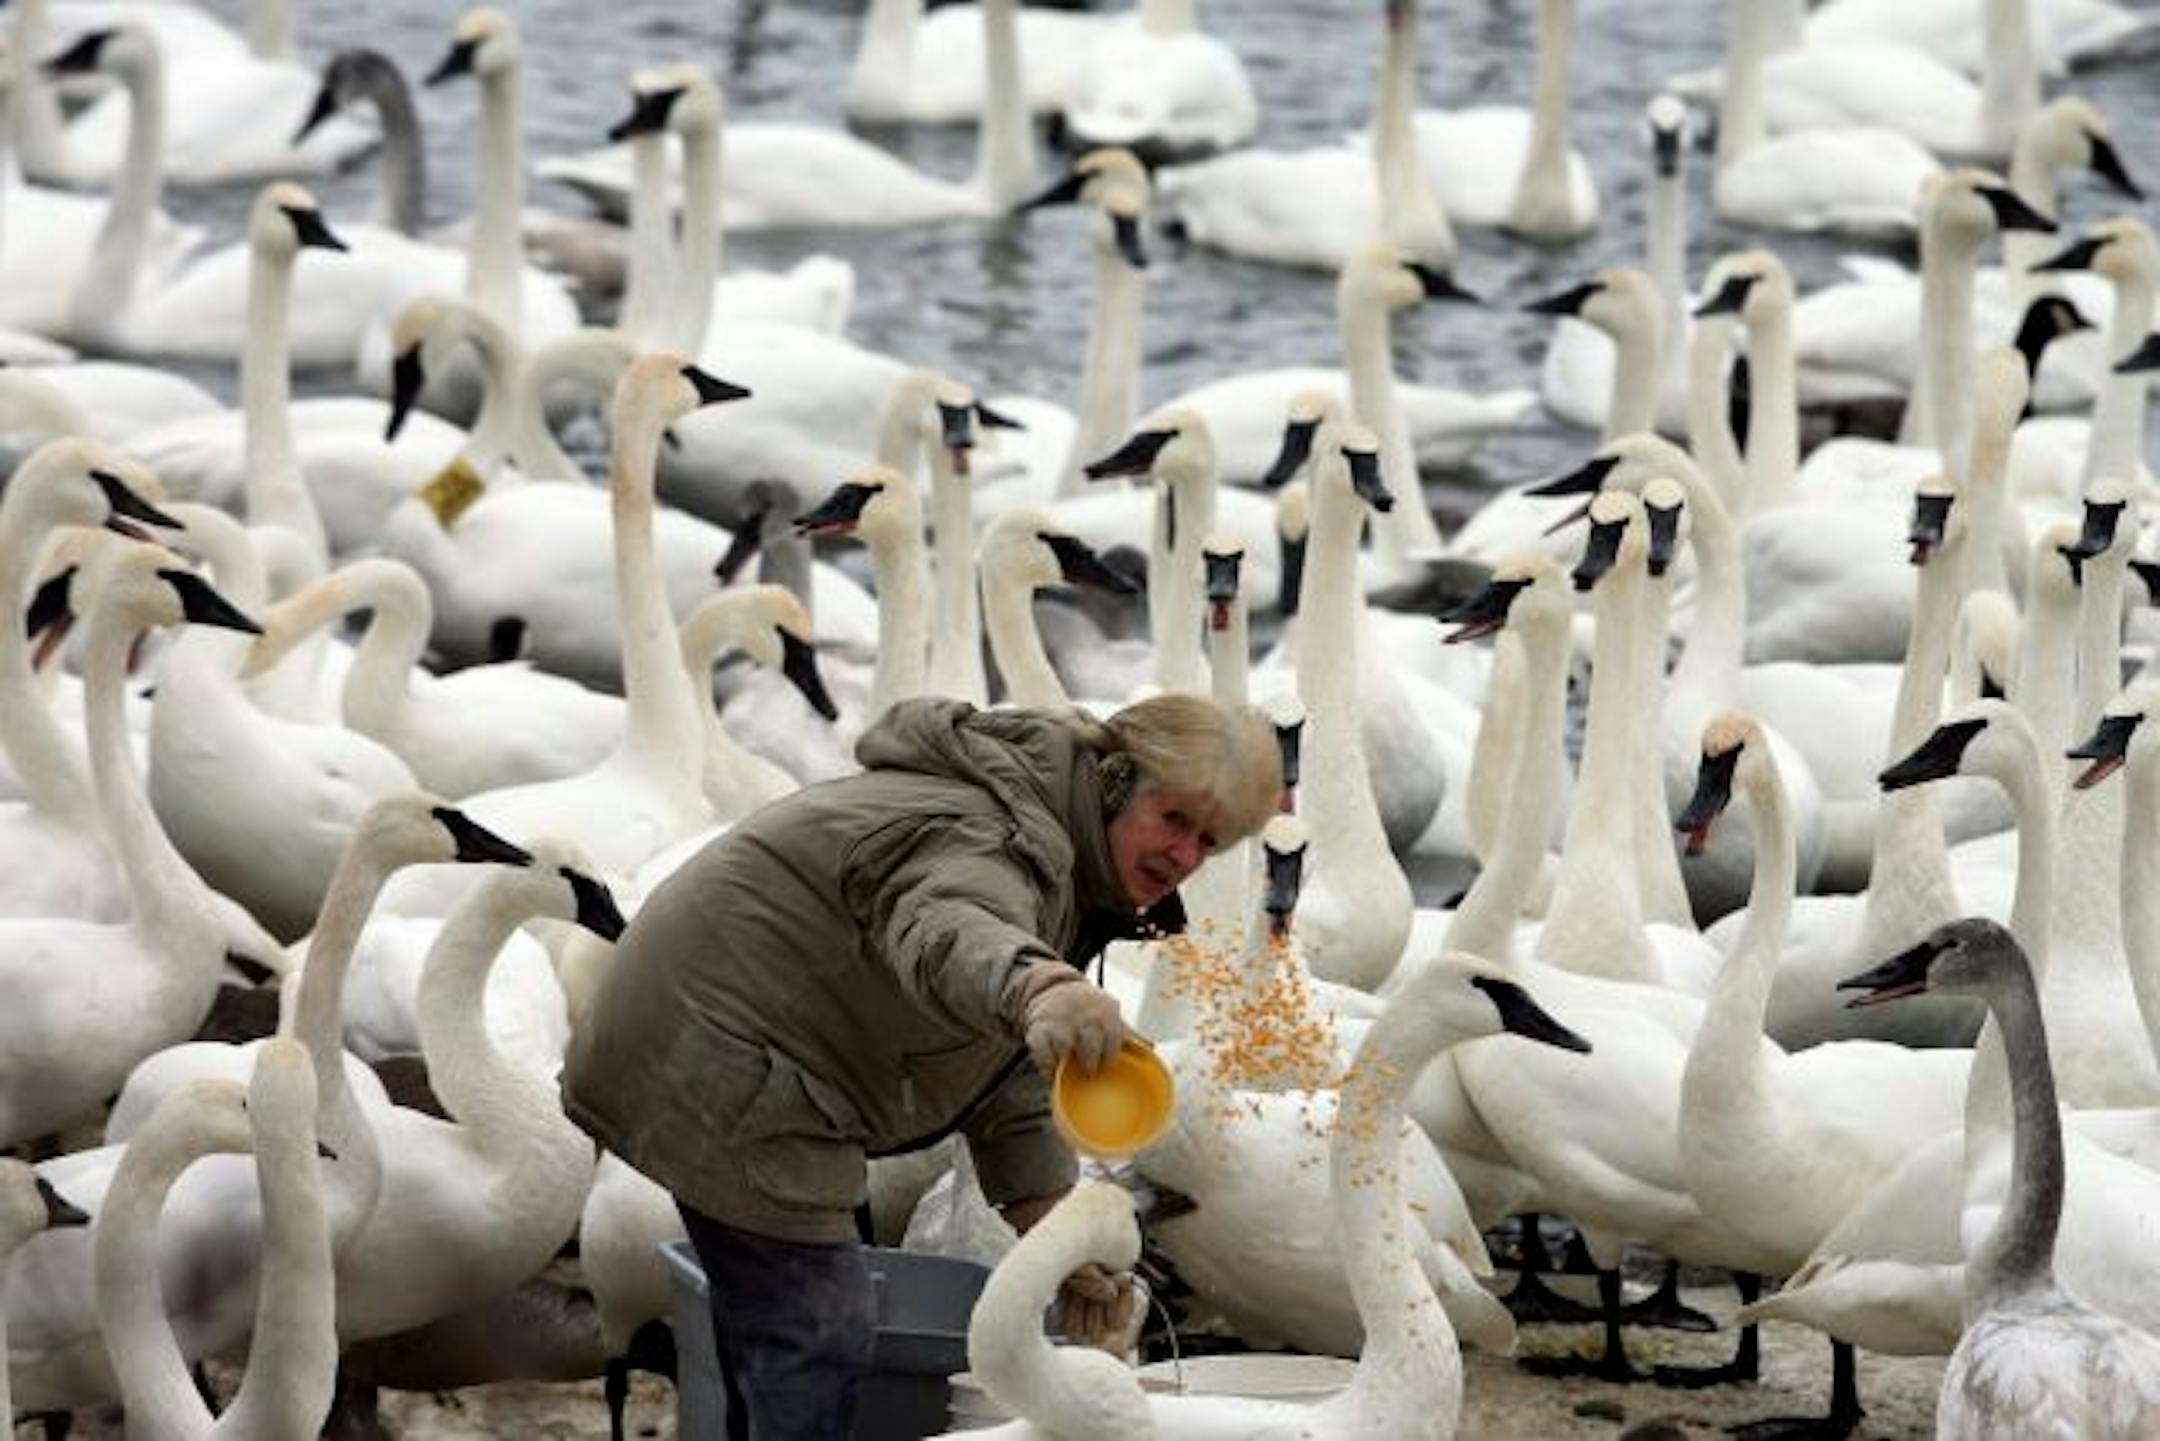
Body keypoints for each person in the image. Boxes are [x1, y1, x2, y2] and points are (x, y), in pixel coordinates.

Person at [561, 693, 1283, 1440]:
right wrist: (1038, 983)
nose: (1186, 857)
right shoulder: (993, 837)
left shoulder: (1060, 850)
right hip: (721, 1038)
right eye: (1173, 820)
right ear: (1112, 782)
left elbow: (1002, 1061)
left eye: (1210, 842)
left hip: (748, 1032)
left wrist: (1054, 1229)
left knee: (778, 1323)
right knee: (821, 1322)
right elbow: (949, 926)